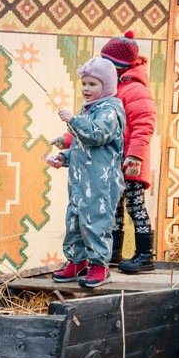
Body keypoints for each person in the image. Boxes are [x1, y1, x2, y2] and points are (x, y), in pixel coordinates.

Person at [48, 57, 126, 288]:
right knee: (75, 220)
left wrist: (73, 120)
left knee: (96, 222)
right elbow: (84, 148)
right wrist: (64, 158)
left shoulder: (110, 111)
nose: (86, 89)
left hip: (101, 183)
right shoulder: (89, 110)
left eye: (92, 84)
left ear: (107, 86)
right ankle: (77, 261)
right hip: (81, 182)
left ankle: (100, 266)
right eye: (84, 83)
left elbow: (97, 135)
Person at [100, 31, 158, 274]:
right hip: (115, 162)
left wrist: (134, 156)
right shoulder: (115, 90)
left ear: (118, 66)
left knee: (135, 205)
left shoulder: (135, 90)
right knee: (115, 206)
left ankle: (145, 255)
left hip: (131, 162)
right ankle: (114, 252)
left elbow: (145, 124)